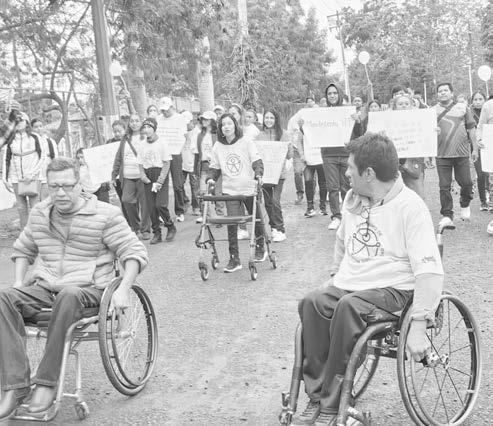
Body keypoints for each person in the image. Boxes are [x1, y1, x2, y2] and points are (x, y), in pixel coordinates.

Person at [292, 133, 444, 425]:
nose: (347, 172)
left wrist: (419, 325)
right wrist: (335, 276)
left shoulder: (411, 207)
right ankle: (318, 395)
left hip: (393, 289)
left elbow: (429, 272)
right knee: (312, 303)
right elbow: (342, 242)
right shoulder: (355, 200)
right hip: (352, 284)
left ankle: (333, 405)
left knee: (348, 308)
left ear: (369, 174)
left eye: (351, 167)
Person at [0, 157, 148, 420]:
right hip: (47, 288)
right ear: (46, 186)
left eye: (67, 186)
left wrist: (124, 288)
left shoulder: (105, 214)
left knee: (68, 295)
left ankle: (47, 382)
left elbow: (133, 252)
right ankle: (16, 385)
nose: (60, 192)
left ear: (80, 185)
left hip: (89, 289)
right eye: (54, 186)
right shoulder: (40, 213)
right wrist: (19, 282)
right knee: (4, 297)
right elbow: (23, 249)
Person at [206, 113, 265, 273]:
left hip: (249, 188)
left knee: (256, 219)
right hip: (230, 190)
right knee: (232, 224)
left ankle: (260, 247)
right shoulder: (218, 146)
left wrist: (258, 174)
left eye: (229, 123)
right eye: (223, 124)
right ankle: (234, 258)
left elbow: (256, 161)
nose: (226, 127)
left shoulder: (246, 141)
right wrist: (210, 178)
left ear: (235, 125)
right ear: (220, 128)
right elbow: (214, 167)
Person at [319, 83, 364, 231]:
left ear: (339, 94)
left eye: (334, 93)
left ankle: (347, 215)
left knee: (347, 187)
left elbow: (359, 133)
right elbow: (314, 133)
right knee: (332, 188)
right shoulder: (322, 113)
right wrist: (303, 127)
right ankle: (336, 217)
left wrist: (357, 122)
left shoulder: (348, 111)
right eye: (329, 93)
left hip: (345, 154)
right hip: (329, 155)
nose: (332, 96)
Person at [434, 82, 478, 228]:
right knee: (444, 186)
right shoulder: (432, 111)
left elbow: (471, 129)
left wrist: (475, 149)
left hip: (462, 153)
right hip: (441, 154)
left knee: (466, 183)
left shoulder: (463, 108)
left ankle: (465, 204)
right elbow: (426, 132)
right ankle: (447, 215)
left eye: (446, 90)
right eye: (440, 91)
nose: (443, 93)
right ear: (437, 94)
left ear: (452, 93)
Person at [111, 113, 151, 240]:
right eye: (132, 121)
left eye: (137, 121)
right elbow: (118, 157)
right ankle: (136, 227)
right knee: (126, 200)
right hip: (127, 176)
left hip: (142, 175)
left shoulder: (146, 137)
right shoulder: (126, 138)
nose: (134, 123)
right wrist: (113, 175)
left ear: (141, 123)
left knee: (145, 204)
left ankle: (146, 229)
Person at [255, 109, 292, 242]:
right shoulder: (259, 136)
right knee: (268, 202)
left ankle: (281, 229)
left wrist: (288, 146)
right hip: (265, 175)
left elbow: (289, 155)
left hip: (279, 174)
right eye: (267, 118)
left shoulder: (284, 134)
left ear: (276, 119)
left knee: (275, 201)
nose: (269, 120)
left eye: (271, 118)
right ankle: (273, 227)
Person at [138, 117, 176, 244]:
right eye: (145, 127)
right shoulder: (142, 144)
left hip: (160, 174)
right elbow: (140, 163)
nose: (147, 130)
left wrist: (160, 180)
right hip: (148, 176)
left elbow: (167, 162)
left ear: (154, 128)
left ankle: (170, 226)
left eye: (149, 127)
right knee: (151, 207)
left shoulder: (162, 143)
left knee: (160, 204)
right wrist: (143, 175)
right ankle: (157, 233)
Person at [2, 111, 43, 229]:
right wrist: (5, 179)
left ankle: (38, 233)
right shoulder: (11, 140)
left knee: (35, 207)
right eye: (16, 121)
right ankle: (24, 234)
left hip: (33, 178)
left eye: (21, 120)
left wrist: (33, 173)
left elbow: (43, 157)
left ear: (27, 122)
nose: (19, 122)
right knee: (21, 208)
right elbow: (6, 160)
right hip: (16, 178)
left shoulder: (35, 137)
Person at [155, 97, 187, 222]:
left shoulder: (179, 118)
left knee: (177, 184)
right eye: (162, 110)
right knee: (161, 182)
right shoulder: (158, 119)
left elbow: (184, 135)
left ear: (172, 107)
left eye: (166, 110)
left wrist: (179, 148)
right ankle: (161, 212)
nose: (164, 112)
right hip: (162, 154)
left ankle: (180, 211)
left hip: (175, 153)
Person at [392, 93, 425, 198]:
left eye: (407, 103)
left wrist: (433, 132)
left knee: (417, 196)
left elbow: (426, 139)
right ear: (395, 107)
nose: (404, 106)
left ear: (412, 106)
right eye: (400, 104)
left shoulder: (420, 120)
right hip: (394, 164)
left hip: (413, 163)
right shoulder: (388, 121)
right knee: (395, 196)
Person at [227, 103, 250, 240]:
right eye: (229, 113)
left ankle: (260, 232)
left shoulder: (248, 132)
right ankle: (242, 228)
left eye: (234, 114)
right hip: (233, 171)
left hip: (247, 171)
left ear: (240, 115)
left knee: (250, 202)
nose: (231, 116)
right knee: (236, 200)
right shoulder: (227, 132)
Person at [469, 92, 489, 211]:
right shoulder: (469, 114)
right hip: (476, 148)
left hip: (489, 147)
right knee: (481, 174)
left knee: (489, 174)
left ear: (485, 100)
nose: (478, 102)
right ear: (472, 101)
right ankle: (483, 201)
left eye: (480, 99)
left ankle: (490, 198)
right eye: (475, 99)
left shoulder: (489, 111)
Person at [31, 118, 57, 200]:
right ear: (31, 128)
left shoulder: (50, 141)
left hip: (46, 174)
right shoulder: (30, 142)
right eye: (36, 127)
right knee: (35, 200)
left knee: (45, 199)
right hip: (34, 175)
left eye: (40, 126)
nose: (39, 128)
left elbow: (55, 158)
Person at [181, 110, 200, 216]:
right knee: (179, 185)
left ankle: (196, 207)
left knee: (194, 186)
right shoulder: (180, 132)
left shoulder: (198, 133)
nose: (185, 125)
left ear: (192, 122)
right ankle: (185, 202)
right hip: (182, 163)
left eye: (187, 123)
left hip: (193, 163)